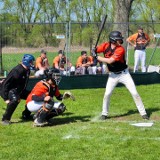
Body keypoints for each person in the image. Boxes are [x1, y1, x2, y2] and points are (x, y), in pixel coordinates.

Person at [91, 31, 149, 120]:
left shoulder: (120, 49)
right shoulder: (106, 45)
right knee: (107, 94)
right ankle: (104, 113)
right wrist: (93, 50)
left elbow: (110, 61)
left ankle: (143, 113)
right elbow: (97, 50)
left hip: (124, 74)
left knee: (134, 93)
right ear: (113, 40)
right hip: (112, 75)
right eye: (118, 39)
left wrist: (97, 57)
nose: (120, 41)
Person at [0, 54, 35, 125]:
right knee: (15, 100)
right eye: (31, 62)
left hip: (20, 90)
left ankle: (26, 115)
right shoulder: (17, 71)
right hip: (11, 90)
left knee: (33, 96)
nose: (32, 64)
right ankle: (5, 119)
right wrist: (5, 98)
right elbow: (6, 83)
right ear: (27, 61)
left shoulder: (27, 70)